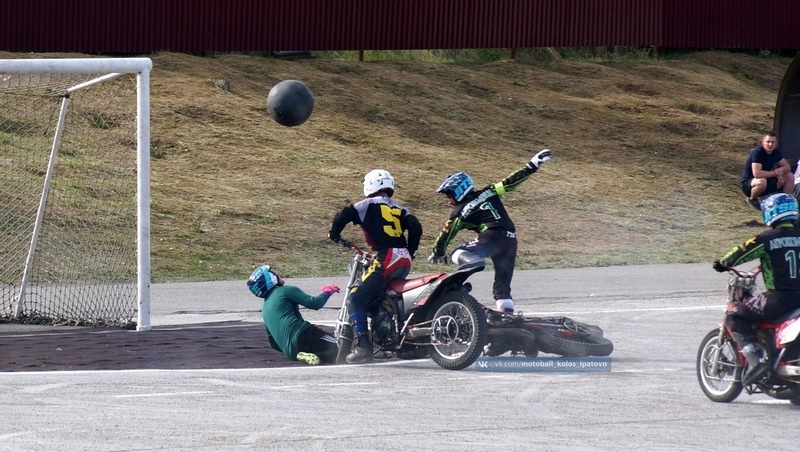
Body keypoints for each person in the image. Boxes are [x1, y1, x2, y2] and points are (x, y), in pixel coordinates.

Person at [428, 149, 552, 314]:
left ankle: (468, 272)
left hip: (491, 237)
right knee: (502, 285)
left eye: (449, 195)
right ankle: (507, 315)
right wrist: (531, 166)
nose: (449, 200)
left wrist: (439, 252)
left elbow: (446, 233)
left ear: (459, 190)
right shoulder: (489, 191)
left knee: (457, 253)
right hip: (510, 240)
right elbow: (510, 182)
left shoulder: (460, 211)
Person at [328, 169, 423, 364]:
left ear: (370, 185)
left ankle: (363, 346)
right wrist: (410, 251)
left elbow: (343, 215)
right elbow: (416, 227)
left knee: (356, 297)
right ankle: (391, 337)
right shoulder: (400, 208)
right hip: (404, 257)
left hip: (386, 255)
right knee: (383, 297)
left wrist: (334, 234)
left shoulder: (366, 205)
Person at [713, 193, 800, 385]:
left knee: (735, 315)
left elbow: (738, 253)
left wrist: (723, 263)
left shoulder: (766, 238)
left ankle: (756, 359)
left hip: (780, 297)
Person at [247, 264, 340, 365]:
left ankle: (311, 356)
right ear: (269, 278)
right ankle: (318, 356)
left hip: (292, 352)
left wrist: (291, 349)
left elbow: (273, 343)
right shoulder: (285, 291)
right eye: (273, 273)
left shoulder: (264, 309)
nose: (277, 274)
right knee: (341, 346)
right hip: (304, 335)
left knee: (333, 352)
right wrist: (327, 291)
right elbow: (314, 303)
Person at [740, 131, 793, 208]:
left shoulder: (776, 152)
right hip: (750, 183)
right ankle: (752, 199)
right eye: (768, 142)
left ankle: (787, 202)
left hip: (767, 179)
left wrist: (780, 171)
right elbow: (757, 174)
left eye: (773, 142)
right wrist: (775, 174)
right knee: (762, 181)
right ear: (763, 142)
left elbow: (787, 167)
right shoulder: (757, 152)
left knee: (789, 176)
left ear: (776, 143)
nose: (770, 144)